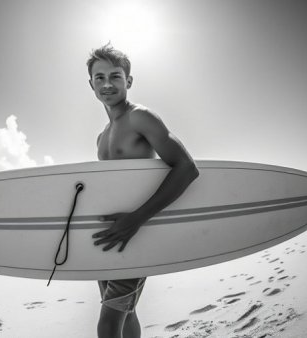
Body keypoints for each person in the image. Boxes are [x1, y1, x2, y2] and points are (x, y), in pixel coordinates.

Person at [87, 44, 199, 338]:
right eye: (99, 78)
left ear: (129, 81)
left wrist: (136, 220)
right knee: (126, 311)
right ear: (91, 85)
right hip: (112, 238)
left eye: (115, 76)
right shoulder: (101, 137)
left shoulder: (140, 117)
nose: (107, 84)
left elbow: (187, 168)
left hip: (137, 234)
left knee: (109, 323)